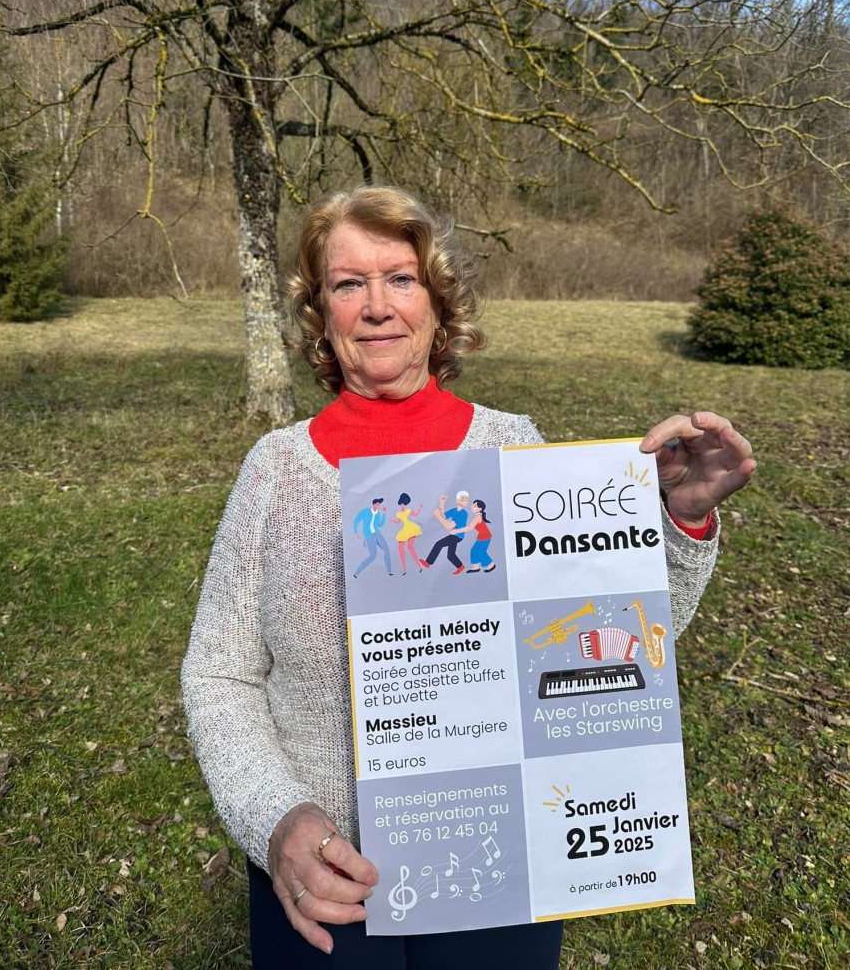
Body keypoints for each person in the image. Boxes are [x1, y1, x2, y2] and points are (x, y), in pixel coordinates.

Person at [181, 185, 757, 970]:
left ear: (437, 300)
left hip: (501, 861)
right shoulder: (275, 470)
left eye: (400, 278)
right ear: (320, 311)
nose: (376, 306)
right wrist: (275, 818)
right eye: (348, 283)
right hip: (325, 879)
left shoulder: (512, 450)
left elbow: (617, 649)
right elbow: (218, 673)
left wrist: (677, 522)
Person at [421, 489, 470, 573]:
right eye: (463, 499)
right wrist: (442, 503)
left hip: (458, 536)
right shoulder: (454, 510)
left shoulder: (464, 514)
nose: (465, 501)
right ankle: (460, 567)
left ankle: (428, 563)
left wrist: (437, 515)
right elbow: (443, 516)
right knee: (450, 555)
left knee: (438, 544)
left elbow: (449, 526)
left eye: (466, 500)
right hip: (454, 535)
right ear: (457, 500)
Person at [352, 497, 392, 577]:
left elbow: (379, 524)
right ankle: (356, 573)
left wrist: (384, 514)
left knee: (387, 550)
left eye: (379, 505)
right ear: (373, 504)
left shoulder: (378, 513)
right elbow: (356, 520)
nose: (377, 506)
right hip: (369, 535)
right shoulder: (366, 511)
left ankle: (389, 572)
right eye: (376, 505)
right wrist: (356, 532)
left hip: (377, 533)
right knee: (372, 556)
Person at [392, 492, 424, 574]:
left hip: (411, 528)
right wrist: (392, 521)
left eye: (404, 504)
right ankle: (404, 569)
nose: (402, 506)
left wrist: (420, 508)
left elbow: (415, 515)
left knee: (410, 547)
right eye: (401, 504)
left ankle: (419, 567)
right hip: (405, 529)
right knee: (400, 548)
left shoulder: (408, 511)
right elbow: (398, 522)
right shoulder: (398, 514)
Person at [461, 498, 495, 572]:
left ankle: (491, 565)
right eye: (472, 505)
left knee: (480, 552)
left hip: (486, 537)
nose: (471, 506)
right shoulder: (478, 516)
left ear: (480, 509)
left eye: (474, 506)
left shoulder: (478, 517)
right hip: (481, 536)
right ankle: (476, 567)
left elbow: (470, 527)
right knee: (474, 550)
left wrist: (457, 531)